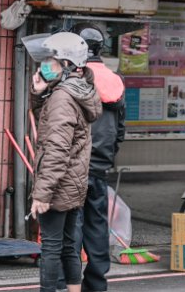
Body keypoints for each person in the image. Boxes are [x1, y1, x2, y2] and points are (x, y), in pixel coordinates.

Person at [22, 31, 102, 292]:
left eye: (51, 61)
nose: (45, 65)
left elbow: (56, 148)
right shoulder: (75, 90)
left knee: (52, 247)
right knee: (69, 245)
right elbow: (50, 124)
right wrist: (39, 92)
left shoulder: (62, 98)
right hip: (73, 182)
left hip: (58, 184)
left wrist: (42, 194)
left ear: (66, 65)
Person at [69, 23, 125, 292]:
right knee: (97, 227)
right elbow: (121, 128)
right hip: (100, 165)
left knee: (72, 226)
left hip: (75, 165)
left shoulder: (75, 79)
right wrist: (108, 154)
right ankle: (97, 284)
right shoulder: (115, 80)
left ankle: (68, 283)